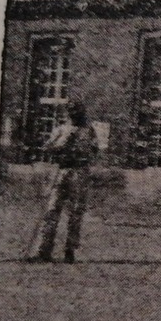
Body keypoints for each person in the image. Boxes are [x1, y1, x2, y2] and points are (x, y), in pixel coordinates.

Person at [29, 97, 99, 264]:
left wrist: (83, 152)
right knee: (52, 209)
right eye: (72, 111)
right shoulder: (60, 129)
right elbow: (47, 147)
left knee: (75, 212)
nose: (75, 114)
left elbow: (95, 151)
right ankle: (43, 250)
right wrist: (61, 145)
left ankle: (70, 250)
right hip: (61, 170)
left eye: (77, 111)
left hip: (79, 171)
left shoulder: (88, 131)